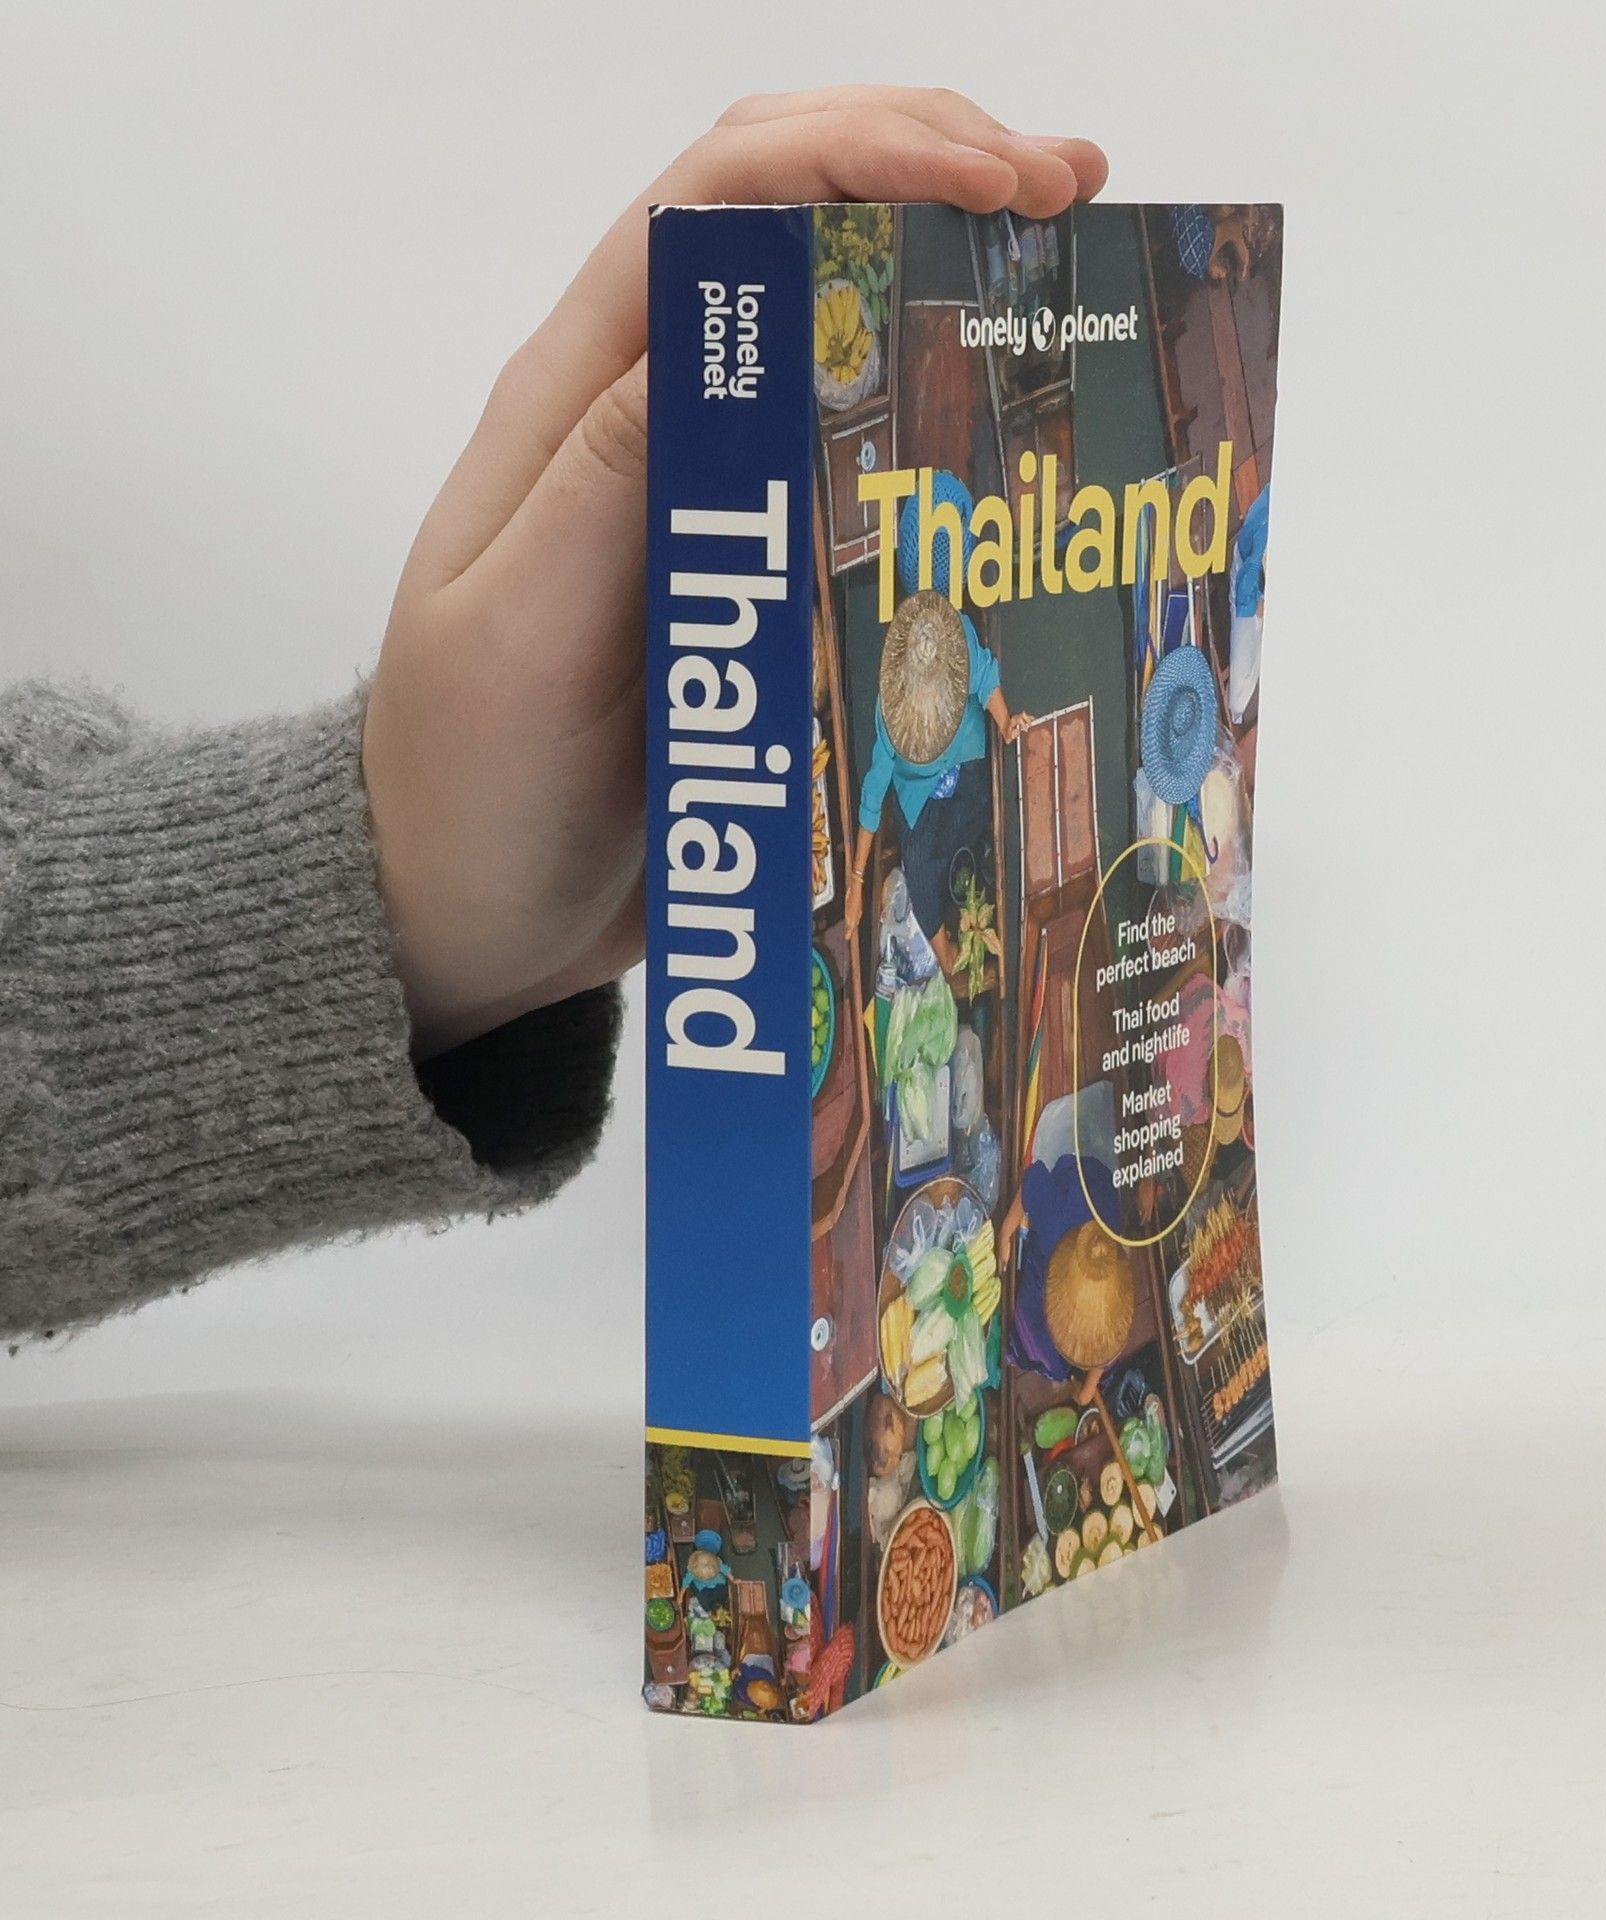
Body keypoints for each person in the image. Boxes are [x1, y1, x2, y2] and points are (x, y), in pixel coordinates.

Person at [0, 88, 1108, 1342]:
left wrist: (406, 910)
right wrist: (385, 896)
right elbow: (869, 827)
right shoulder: (905, 746)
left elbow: (951, 738)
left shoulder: (952, 696)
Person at [843, 589, 1032, 975]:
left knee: (985, 812)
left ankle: (969, 858)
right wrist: (856, 881)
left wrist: (1005, 722)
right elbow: (872, 799)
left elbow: (984, 675)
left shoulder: (956, 640)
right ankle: (946, 956)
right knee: (919, 869)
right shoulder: (891, 713)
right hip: (920, 794)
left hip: (966, 760)